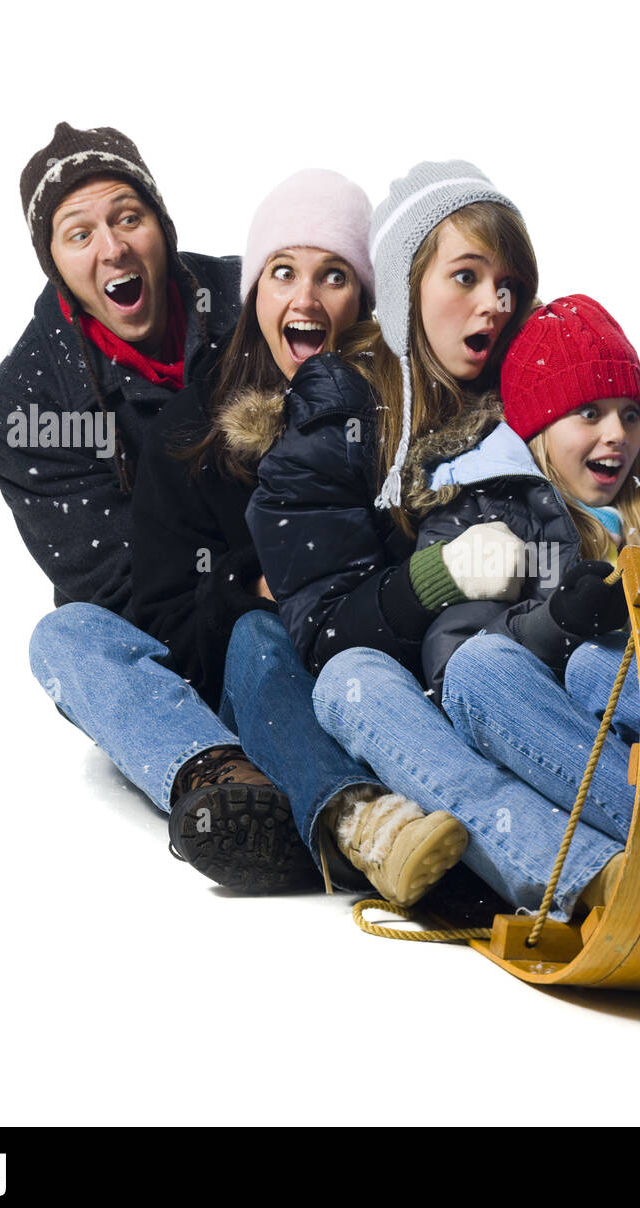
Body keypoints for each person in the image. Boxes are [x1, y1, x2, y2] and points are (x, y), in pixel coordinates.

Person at [310, 294, 640, 917]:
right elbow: (453, 675)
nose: (616, 435)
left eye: (630, 415)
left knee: (596, 668)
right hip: (566, 749)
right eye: (588, 413)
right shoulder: (483, 508)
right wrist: (560, 623)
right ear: (538, 427)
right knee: (500, 669)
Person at [0, 123, 303, 893]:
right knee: (65, 638)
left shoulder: (255, 295)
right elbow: (126, 591)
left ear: (161, 224)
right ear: (55, 264)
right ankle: (223, 784)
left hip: (319, 591)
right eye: (79, 232)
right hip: (183, 642)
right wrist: (246, 588)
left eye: (129, 217)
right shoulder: (27, 404)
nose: (113, 249)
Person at [130, 170, 466, 906]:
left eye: (334, 276)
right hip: (256, 690)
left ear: (365, 301)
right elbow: (159, 624)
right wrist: (249, 589)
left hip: (379, 665)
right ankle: (364, 824)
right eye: (283, 272)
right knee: (253, 633)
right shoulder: (189, 432)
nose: (305, 299)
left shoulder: (404, 413)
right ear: (256, 293)